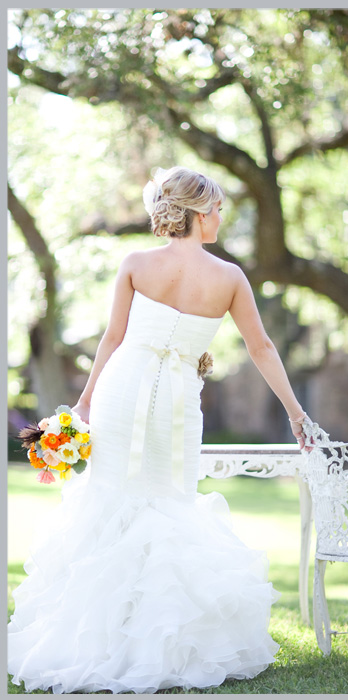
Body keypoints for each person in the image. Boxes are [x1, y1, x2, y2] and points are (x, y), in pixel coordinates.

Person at [8, 166, 312, 693]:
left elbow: (113, 341)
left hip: (123, 390)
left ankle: (112, 637)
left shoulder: (137, 263)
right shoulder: (229, 278)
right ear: (196, 212)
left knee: (116, 499)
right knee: (169, 501)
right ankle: (152, 642)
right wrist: (295, 411)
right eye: (216, 207)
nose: (221, 216)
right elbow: (262, 349)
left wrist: (83, 403)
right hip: (176, 400)